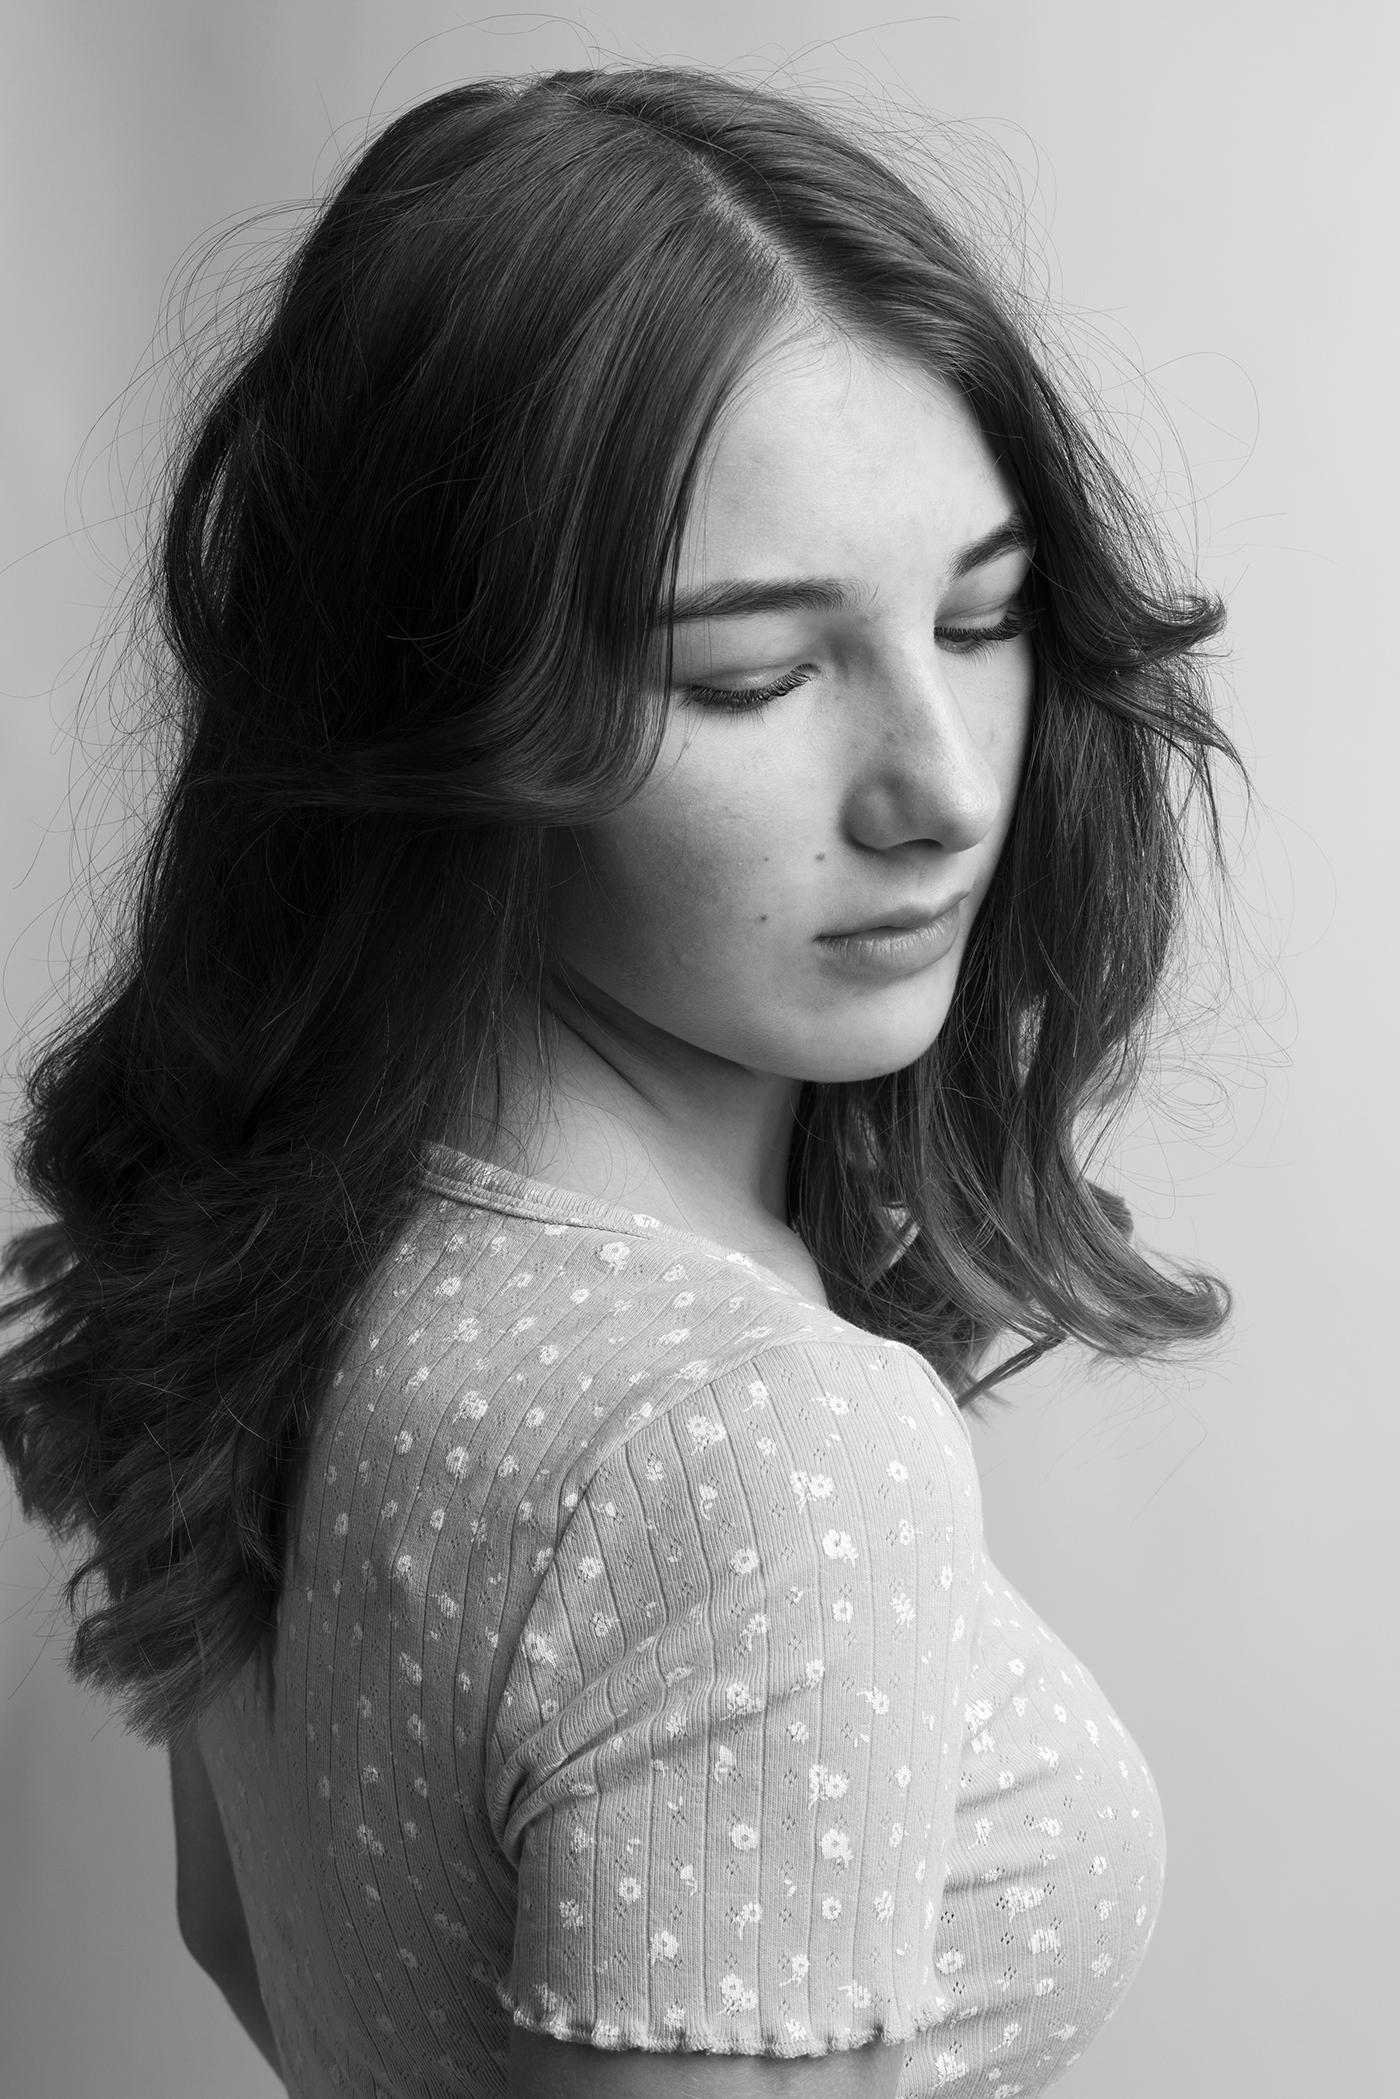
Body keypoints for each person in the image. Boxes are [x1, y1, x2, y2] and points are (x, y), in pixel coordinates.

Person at [0, 65, 1239, 2099]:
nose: (940, 788)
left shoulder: (258, 1236)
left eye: (983, 616)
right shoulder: (742, 1446)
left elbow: (241, 1933)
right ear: (440, 705)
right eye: (753, 675)